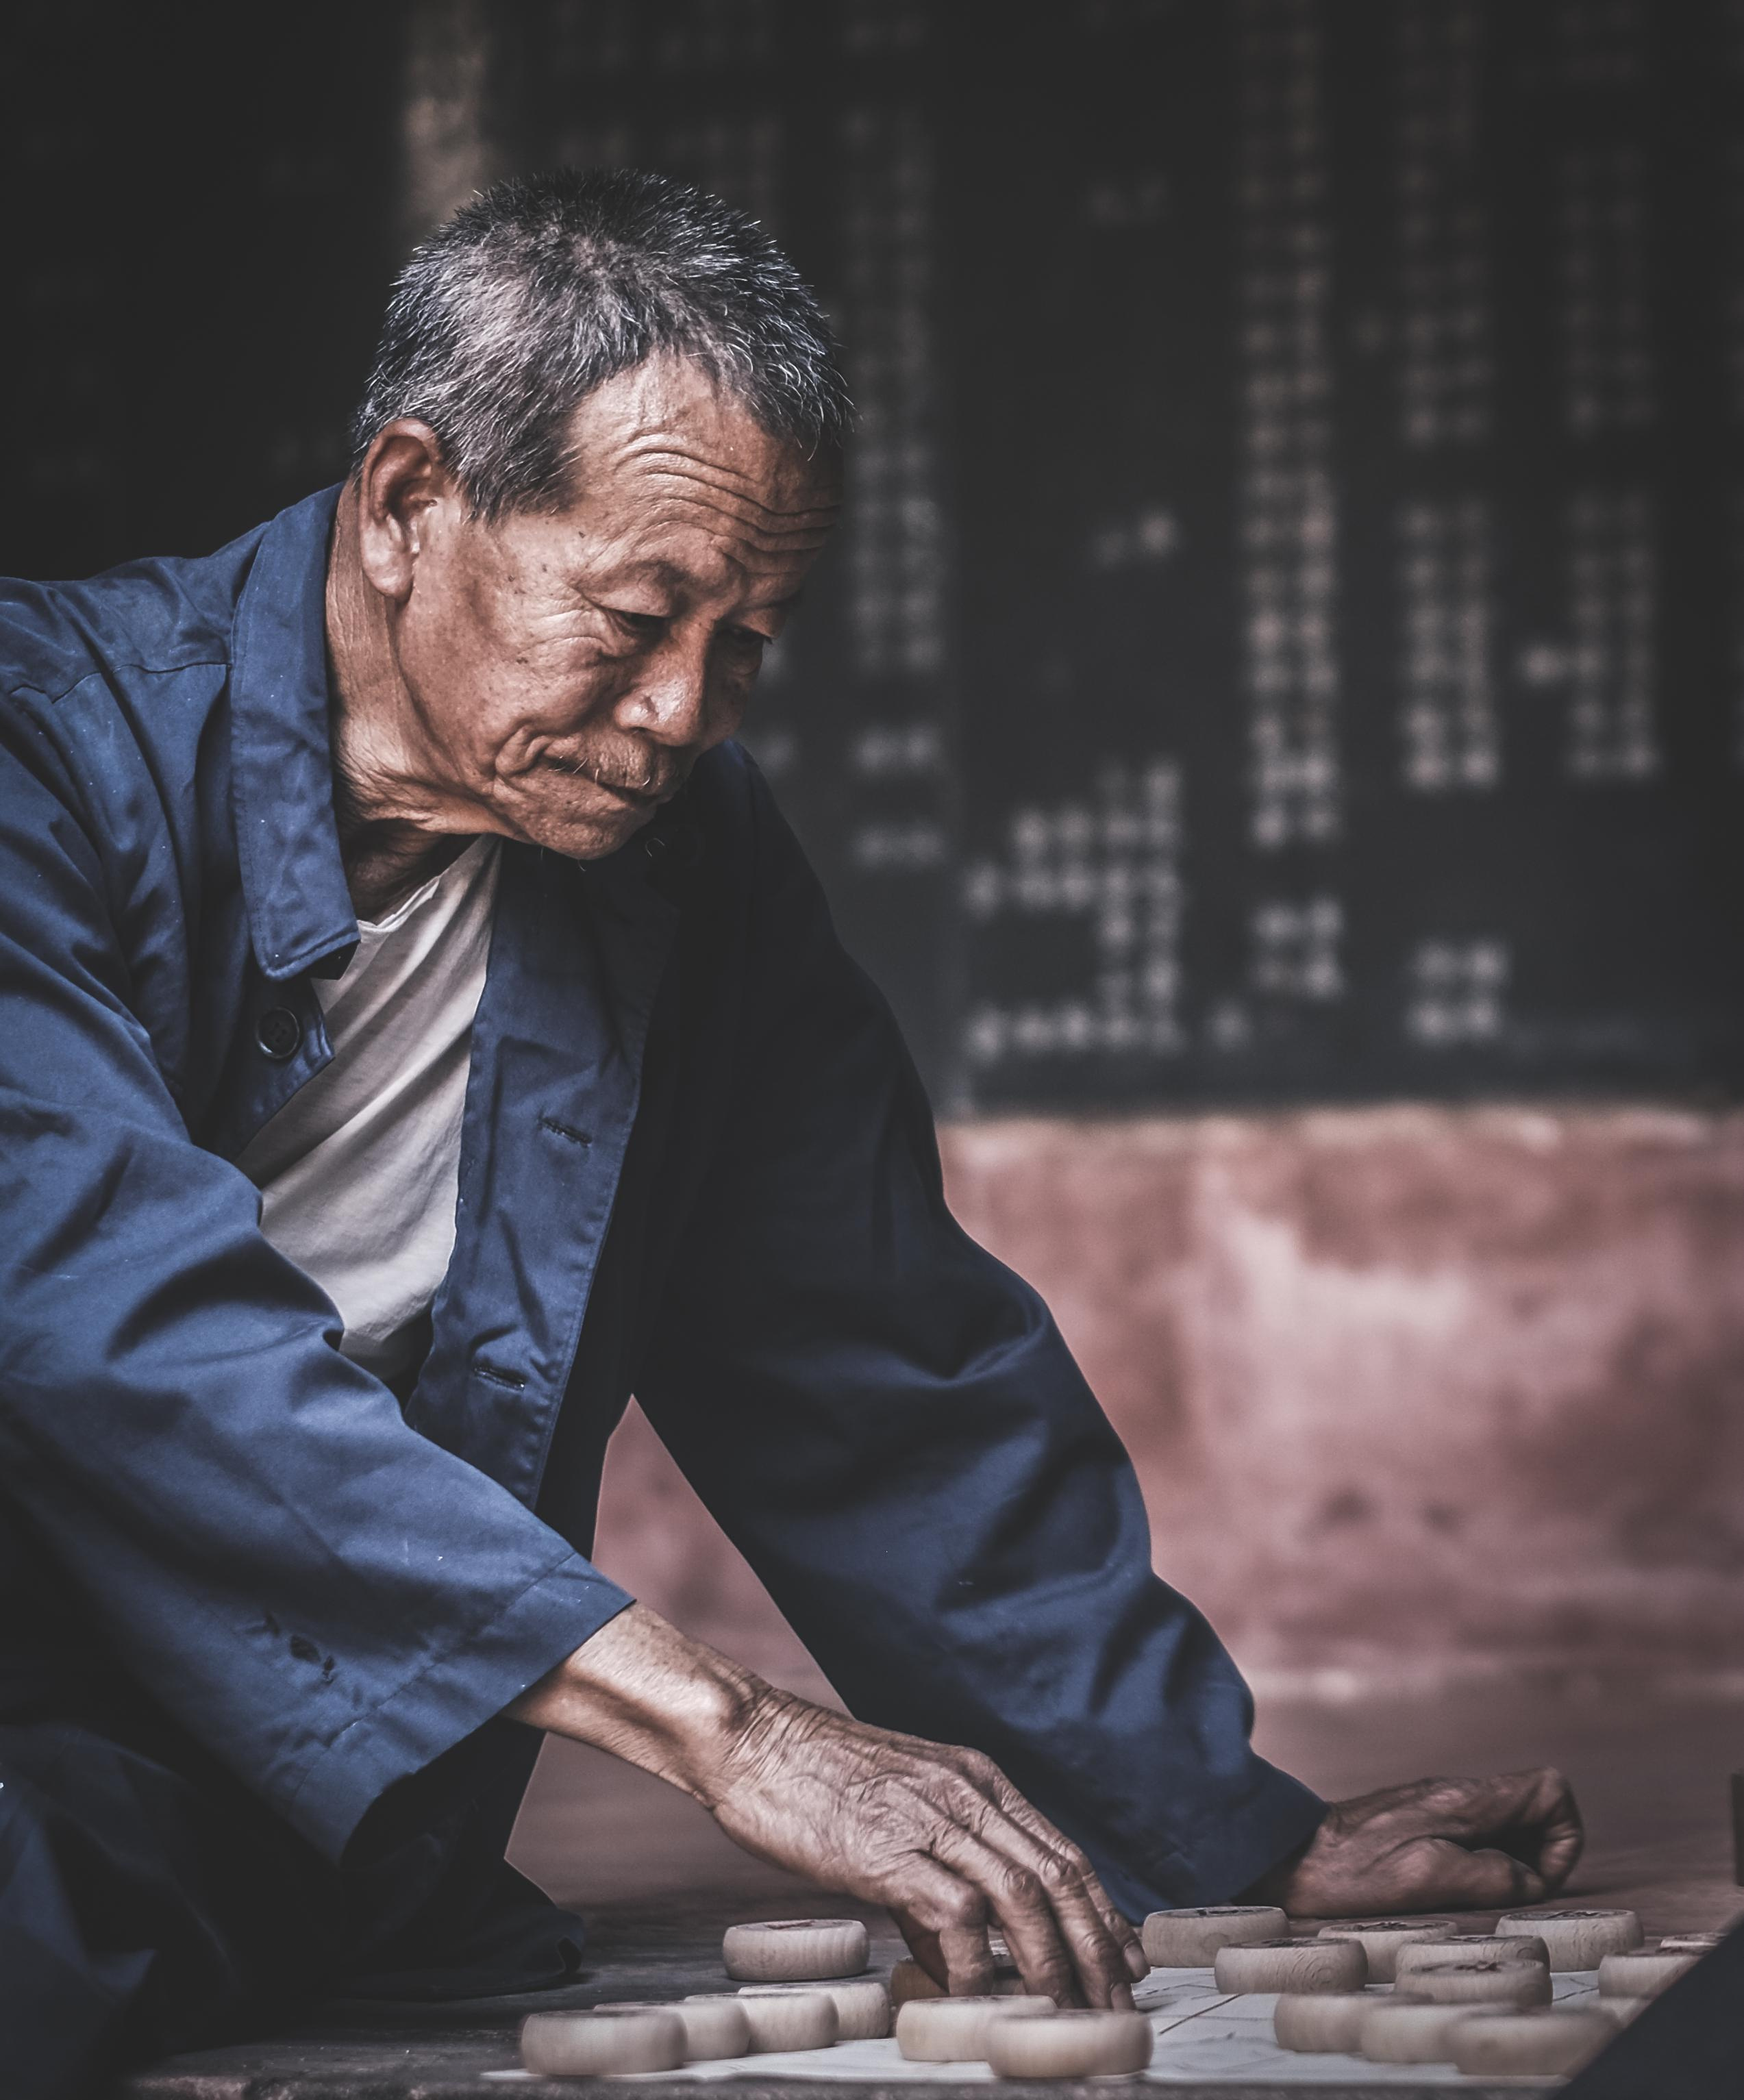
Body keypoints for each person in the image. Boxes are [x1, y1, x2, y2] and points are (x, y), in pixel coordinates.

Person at [0, 170, 1582, 2097]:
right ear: (409, 503)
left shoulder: (691, 870)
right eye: (638, 612)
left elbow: (881, 1372)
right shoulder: (36, 755)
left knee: (168, 1902)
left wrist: (1235, 1828)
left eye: (747, 639)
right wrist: (732, 1729)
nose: (682, 711)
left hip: (229, 1744)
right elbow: (113, 1322)